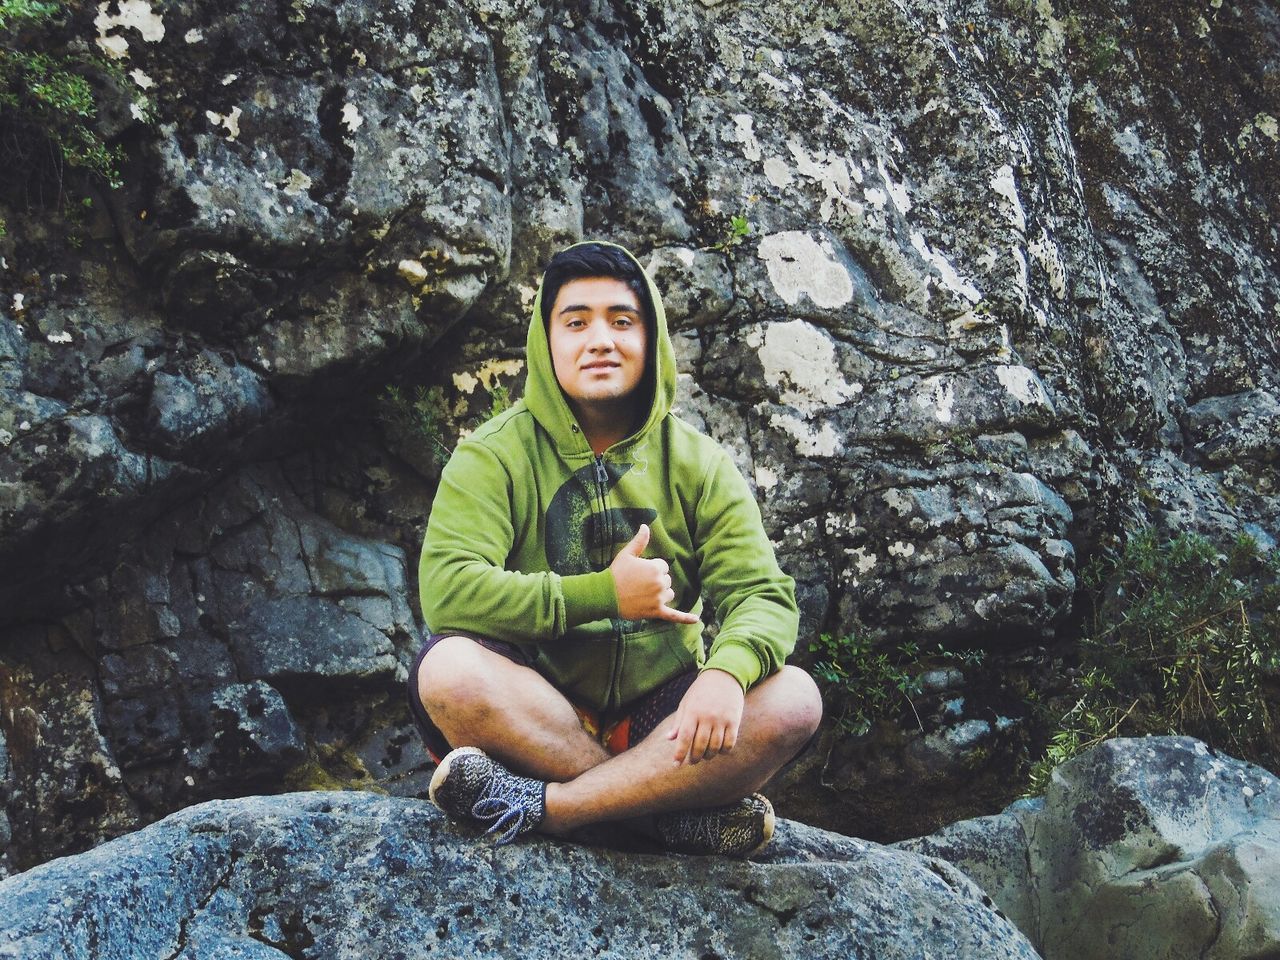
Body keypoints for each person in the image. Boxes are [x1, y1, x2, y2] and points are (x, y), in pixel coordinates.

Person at [408, 240, 823, 856]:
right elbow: (448, 589)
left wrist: (727, 673)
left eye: (621, 321)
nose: (599, 339)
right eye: (576, 322)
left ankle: (549, 807)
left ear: (650, 338)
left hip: (659, 719)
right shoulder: (493, 454)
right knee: (448, 671)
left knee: (794, 699)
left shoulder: (699, 464)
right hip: (532, 712)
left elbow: (761, 595)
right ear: (546, 343)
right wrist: (605, 594)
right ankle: (659, 815)